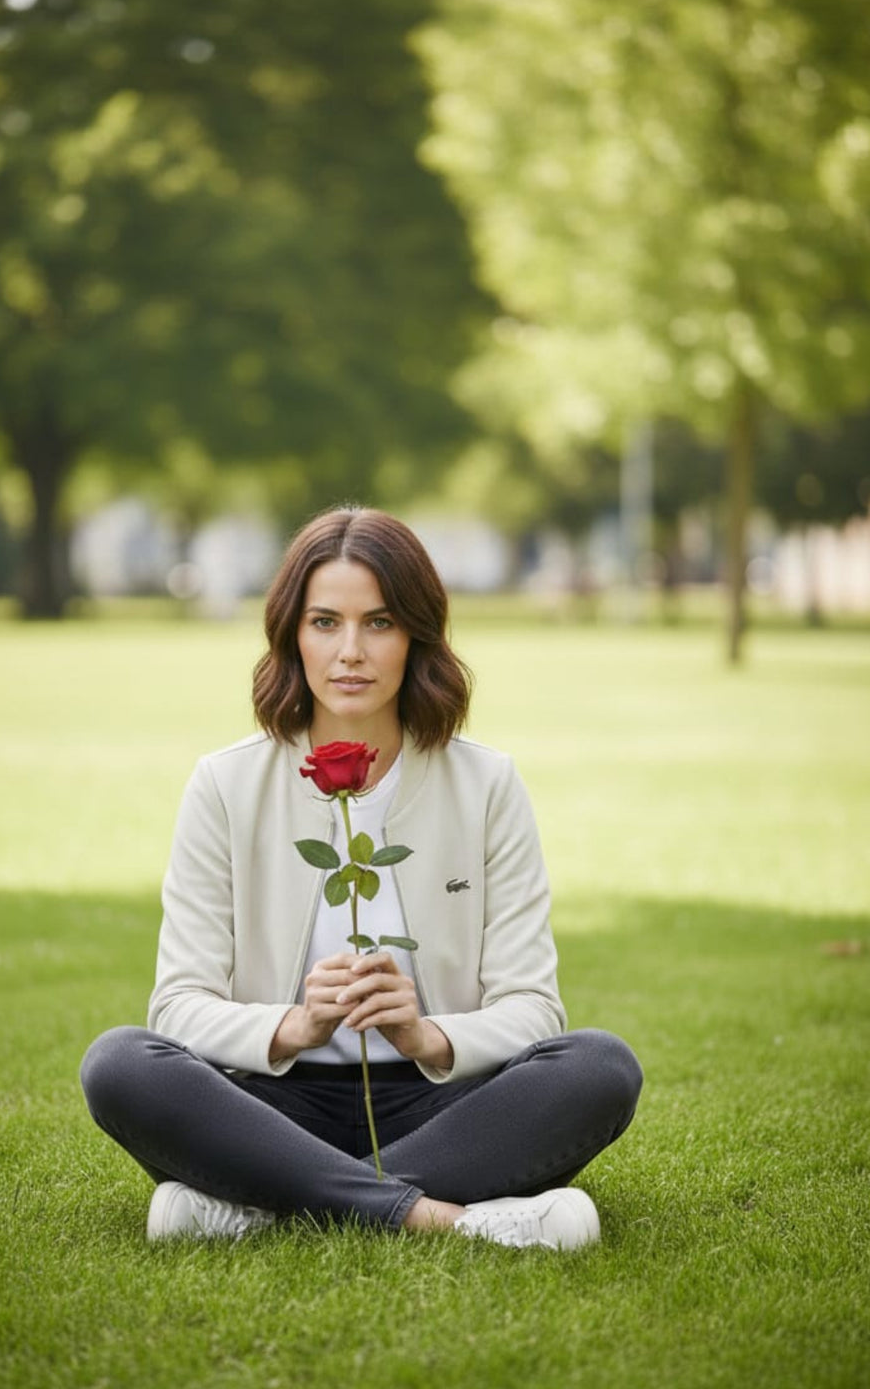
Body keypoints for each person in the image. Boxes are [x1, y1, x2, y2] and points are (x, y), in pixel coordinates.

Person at [80, 507, 642, 1249]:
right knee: (120, 1063)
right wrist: (294, 1025)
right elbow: (178, 1008)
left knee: (601, 1066)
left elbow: (534, 1010)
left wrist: (426, 1034)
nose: (350, 651)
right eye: (324, 622)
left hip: (441, 1107)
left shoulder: (487, 785)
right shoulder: (223, 785)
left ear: (416, 635)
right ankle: (440, 1219)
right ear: (292, 635)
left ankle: (262, 1206)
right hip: (269, 1105)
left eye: (378, 623)